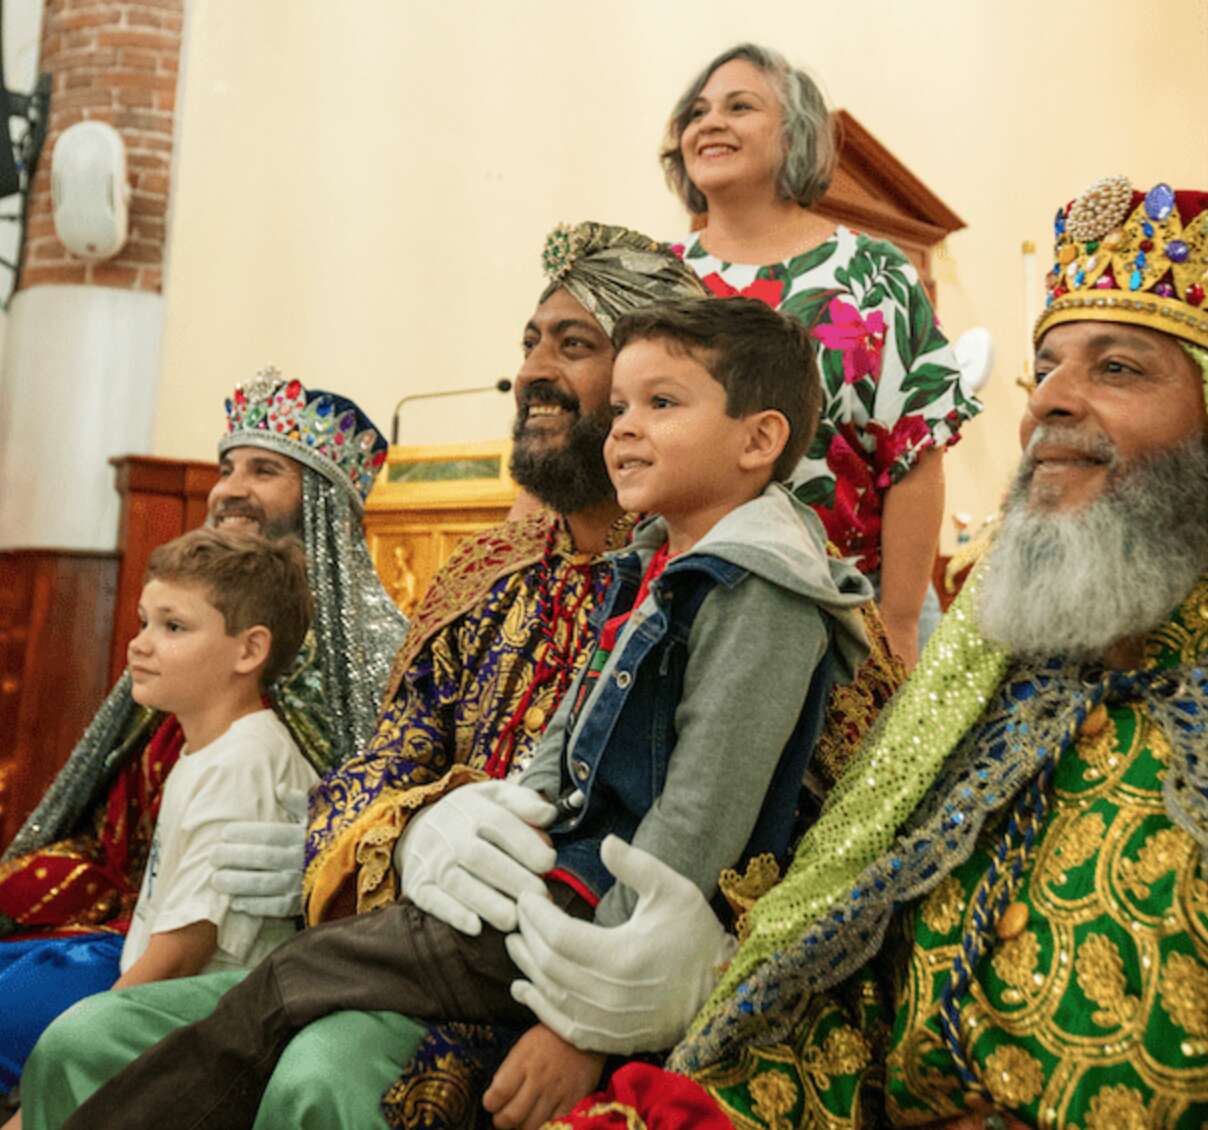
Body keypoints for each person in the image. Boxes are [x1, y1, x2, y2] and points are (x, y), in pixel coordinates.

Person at [513, 176, 1208, 1129]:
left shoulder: (762, 592)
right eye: (1044, 366)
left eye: (1118, 368)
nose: (1048, 401)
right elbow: (844, 987)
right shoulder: (986, 702)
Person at [20, 223, 729, 1130]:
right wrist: (416, 828)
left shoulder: (711, 580)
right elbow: (372, 768)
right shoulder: (481, 581)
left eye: (574, 344)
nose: (532, 372)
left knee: (320, 1075)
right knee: (84, 1042)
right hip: (401, 940)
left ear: (649, 389)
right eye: (529, 343)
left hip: (545, 981)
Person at [0, 375, 406, 1102]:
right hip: (138, 913)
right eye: (227, 467)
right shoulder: (187, 626)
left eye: (264, 469)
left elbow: (389, 824)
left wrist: (322, 856)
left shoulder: (375, 659)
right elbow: (107, 805)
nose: (230, 489)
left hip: (214, 961)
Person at [664, 43, 982, 667]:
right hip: (679, 611)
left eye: (740, 106)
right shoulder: (657, 279)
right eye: (696, 112)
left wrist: (895, 625)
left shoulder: (872, 272)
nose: (710, 123)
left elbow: (914, 456)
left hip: (837, 616)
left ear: (797, 133)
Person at [0, 527, 317, 1123]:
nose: (139, 646)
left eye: (173, 627)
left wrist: (77, 1062)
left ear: (248, 651)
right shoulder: (210, 746)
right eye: (144, 621)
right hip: (162, 999)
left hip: (204, 1020)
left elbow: (184, 950)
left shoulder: (244, 765)